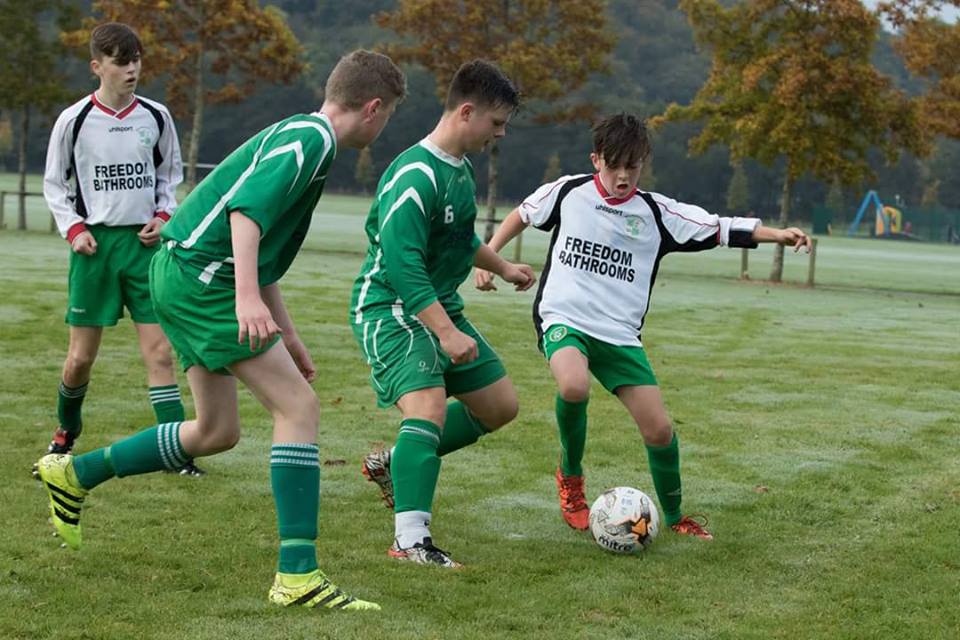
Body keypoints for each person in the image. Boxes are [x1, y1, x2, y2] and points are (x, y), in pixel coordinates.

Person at [36, 49, 407, 612]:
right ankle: (298, 576)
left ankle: (74, 473)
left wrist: (287, 331)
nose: (385, 128)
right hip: (202, 280)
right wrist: (245, 298)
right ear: (374, 107)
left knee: (216, 430)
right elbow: (245, 214)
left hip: (180, 273)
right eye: (390, 116)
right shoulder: (313, 140)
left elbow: (263, 245)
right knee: (298, 408)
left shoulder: (303, 135)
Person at [476, 113, 812, 539]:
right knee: (574, 386)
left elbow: (719, 227)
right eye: (614, 165)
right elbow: (522, 214)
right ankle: (571, 482)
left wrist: (778, 234)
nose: (623, 176)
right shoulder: (567, 192)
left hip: (619, 334)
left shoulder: (656, 212)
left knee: (659, 429)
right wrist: (490, 258)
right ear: (596, 159)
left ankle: (675, 517)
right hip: (565, 317)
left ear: (643, 164)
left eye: (632, 167)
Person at [352, 60, 534, 568]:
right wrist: (448, 333)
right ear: (467, 112)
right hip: (390, 308)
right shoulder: (415, 175)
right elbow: (404, 266)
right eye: (496, 123)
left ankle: (395, 464)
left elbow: (458, 238)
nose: (500, 134)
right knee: (428, 409)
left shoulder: (459, 169)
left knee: (499, 406)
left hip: (437, 305)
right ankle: (411, 541)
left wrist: (502, 266)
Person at [42, 23, 202, 476]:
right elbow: (54, 183)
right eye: (121, 61)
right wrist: (74, 230)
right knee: (80, 359)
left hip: (144, 249)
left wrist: (164, 216)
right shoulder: (73, 120)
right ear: (97, 66)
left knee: (160, 353)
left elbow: (169, 178)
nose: (132, 69)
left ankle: (174, 452)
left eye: (136, 60)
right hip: (94, 249)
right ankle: (65, 432)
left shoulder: (156, 116)